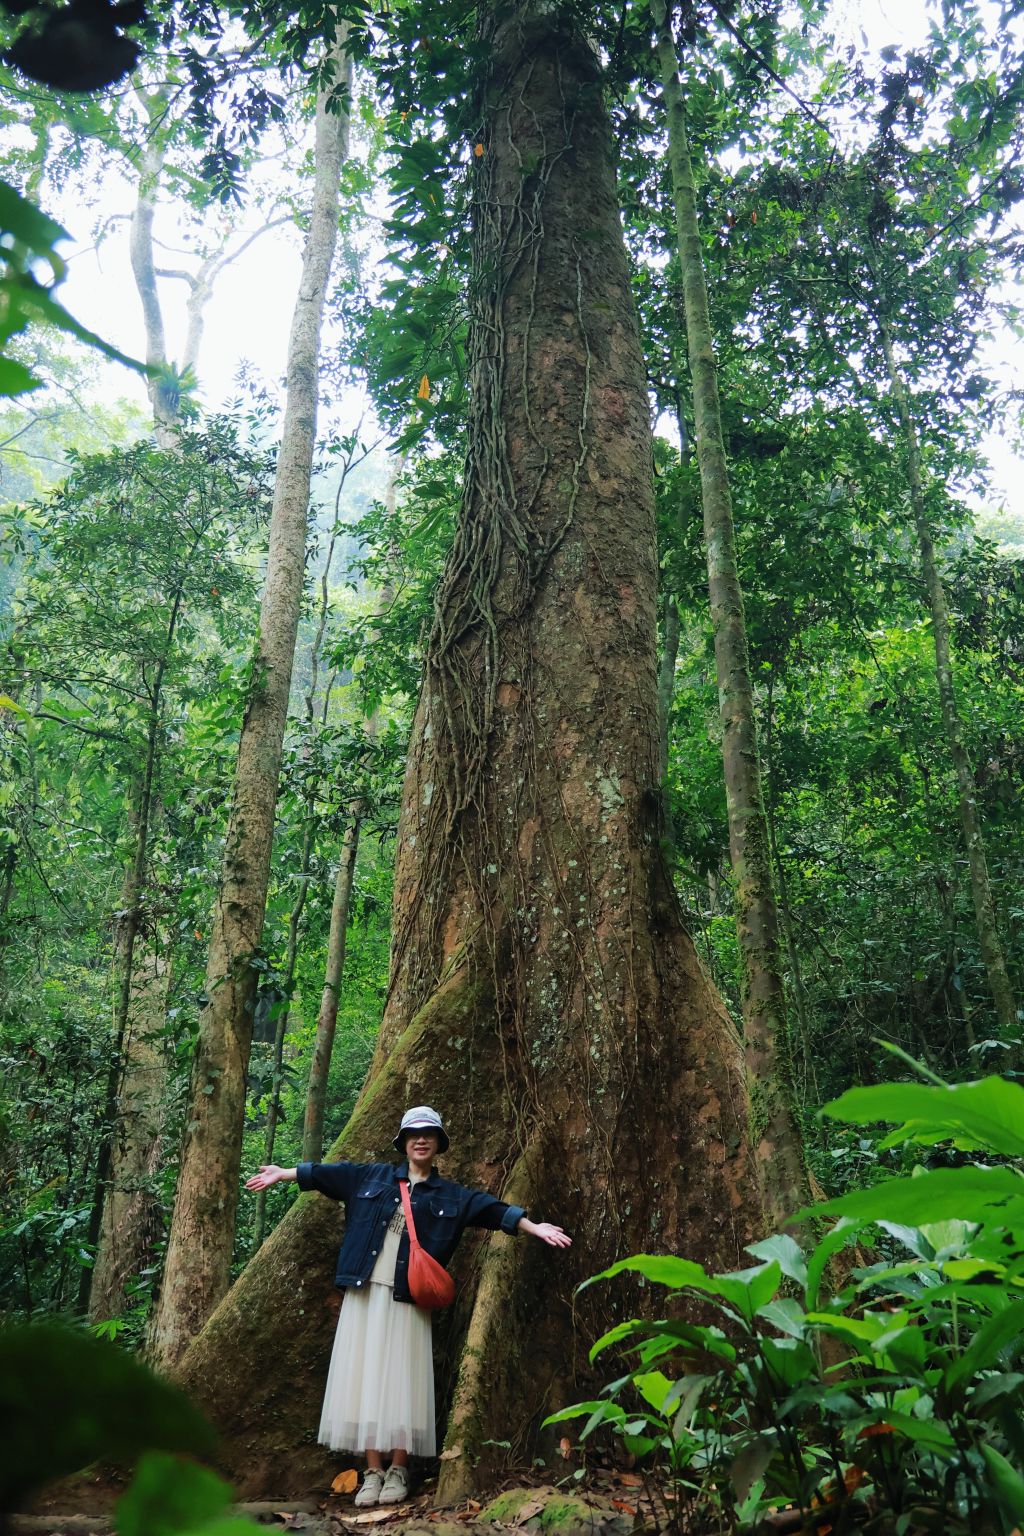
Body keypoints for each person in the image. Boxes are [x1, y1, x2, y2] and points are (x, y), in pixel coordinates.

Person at [245, 1106, 571, 1508]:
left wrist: (532, 1226)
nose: (421, 1139)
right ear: (402, 1141)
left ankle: (399, 1468)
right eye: (413, 1133)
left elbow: (490, 1209)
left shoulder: (450, 1195)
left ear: (438, 1144)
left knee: (402, 1381)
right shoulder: (370, 1177)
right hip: (364, 1294)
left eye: (428, 1134)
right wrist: (283, 1173)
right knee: (363, 1381)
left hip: (409, 1299)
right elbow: (325, 1174)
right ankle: (372, 1471)